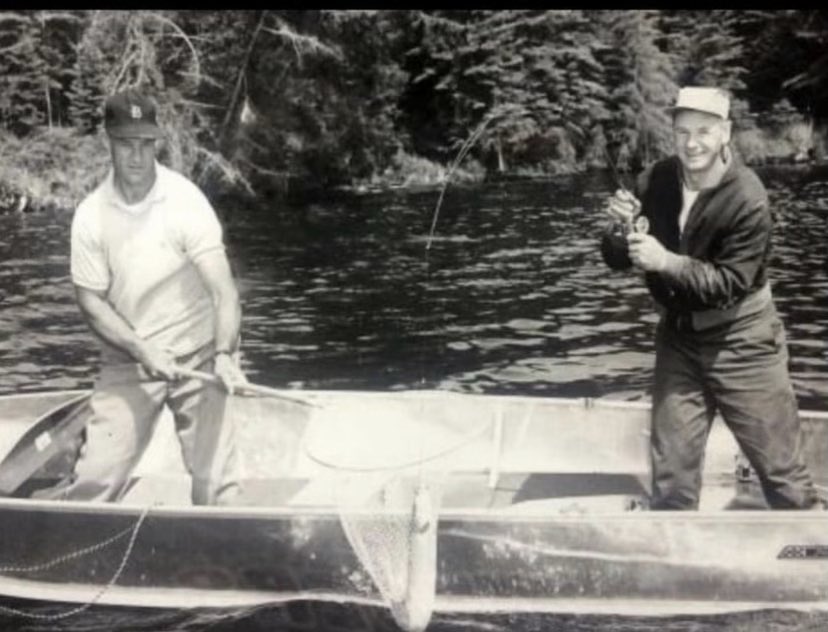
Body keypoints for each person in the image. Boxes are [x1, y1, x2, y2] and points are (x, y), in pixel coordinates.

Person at [600, 86, 821, 510]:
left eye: (704, 131)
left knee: (782, 473)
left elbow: (727, 285)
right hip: (679, 341)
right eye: (683, 132)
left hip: (744, 341)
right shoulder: (656, 179)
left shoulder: (749, 198)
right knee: (671, 477)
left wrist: (665, 261)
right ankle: (675, 559)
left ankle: (807, 554)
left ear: (726, 134)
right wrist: (618, 230)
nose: (692, 143)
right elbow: (616, 259)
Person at [53, 88, 248, 505]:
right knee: (93, 485)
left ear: (156, 143)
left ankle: (223, 558)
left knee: (217, 488)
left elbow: (224, 292)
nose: (137, 157)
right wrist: (143, 351)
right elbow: (90, 303)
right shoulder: (90, 216)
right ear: (109, 142)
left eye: (145, 144)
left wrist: (225, 355)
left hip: (201, 353)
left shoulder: (185, 201)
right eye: (126, 145)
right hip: (129, 357)